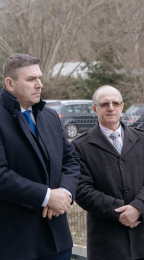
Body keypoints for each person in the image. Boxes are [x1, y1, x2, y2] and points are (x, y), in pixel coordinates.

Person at [0, 53, 80, 260]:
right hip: (16, 242)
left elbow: (70, 160)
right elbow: (1, 175)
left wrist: (63, 192)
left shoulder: (50, 116)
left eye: (39, 78)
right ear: (10, 83)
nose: (39, 85)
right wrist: (46, 196)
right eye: (31, 79)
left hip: (57, 239)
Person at [73, 85, 144, 260]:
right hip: (106, 242)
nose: (111, 108)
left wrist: (138, 207)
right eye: (105, 104)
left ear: (122, 106)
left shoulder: (143, 139)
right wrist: (120, 211)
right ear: (94, 109)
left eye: (115, 103)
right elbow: (82, 190)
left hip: (143, 239)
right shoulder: (80, 146)